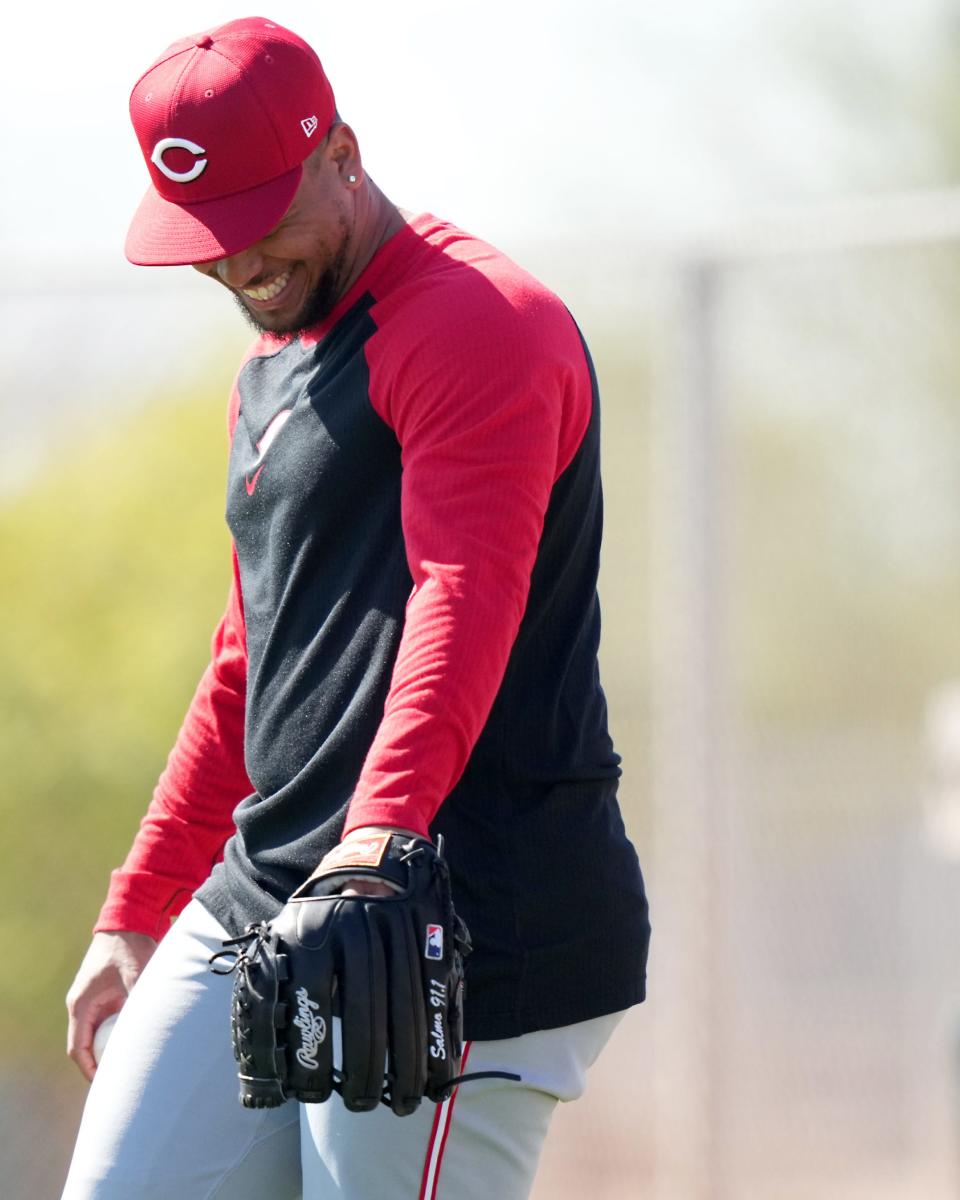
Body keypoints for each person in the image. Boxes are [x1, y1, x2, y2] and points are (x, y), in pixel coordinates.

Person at [61, 16, 650, 1200]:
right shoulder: (278, 357)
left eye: (258, 221)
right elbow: (248, 661)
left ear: (341, 152)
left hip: (449, 913)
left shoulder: (477, 320)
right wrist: (137, 908)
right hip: (269, 893)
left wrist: (376, 844)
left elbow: (463, 589)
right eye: (208, 237)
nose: (237, 264)